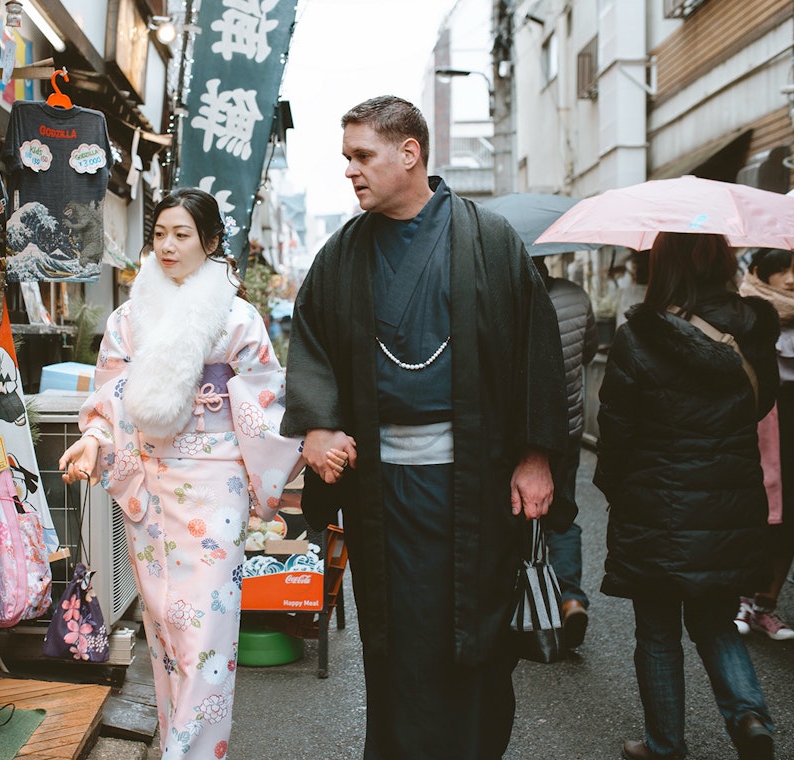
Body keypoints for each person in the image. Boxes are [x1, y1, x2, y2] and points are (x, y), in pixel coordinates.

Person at [281, 95, 568, 759]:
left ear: (410, 153)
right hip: (384, 492)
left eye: (362, 156)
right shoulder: (341, 255)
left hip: (477, 486)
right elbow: (314, 347)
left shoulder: (491, 242)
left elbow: (537, 356)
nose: (350, 171)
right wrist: (318, 427)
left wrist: (536, 457)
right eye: (346, 158)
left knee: (476, 636)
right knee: (396, 641)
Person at [57, 188, 301, 758]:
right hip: (150, 482)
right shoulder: (128, 319)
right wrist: (95, 440)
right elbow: (111, 394)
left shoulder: (237, 318)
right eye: (160, 233)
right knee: (166, 627)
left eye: (182, 234)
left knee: (206, 634)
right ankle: (174, 741)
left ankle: (189, 753)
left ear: (211, 241)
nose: (167, 245)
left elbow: (265, 396)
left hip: (216, 484)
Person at [594, 231, 778, 760]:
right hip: (728, 501)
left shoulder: (641, 336)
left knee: (656, 632)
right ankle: (750, 719)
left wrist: (615, 487)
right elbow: (759, 404)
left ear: (664, 264)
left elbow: (617, 427)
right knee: (716, 620)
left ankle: (664, 744)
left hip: (654, 502)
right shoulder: (751, 328)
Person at [735, 246, 794, 641]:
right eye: (784, 270)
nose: (793, 279)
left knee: (792, 516)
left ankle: (767, 604)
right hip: (758, 425)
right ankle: (742, 598)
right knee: (755, 510)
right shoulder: (746, 313)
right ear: (761, 271)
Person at [533, 256, 599, 650]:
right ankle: (570, 597)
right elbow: (588, 350)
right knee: (562, 514)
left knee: (514, 517)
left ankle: (522, 608)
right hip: (568, 430)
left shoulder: (505, 295)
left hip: (517, 435)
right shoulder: (576, 295)